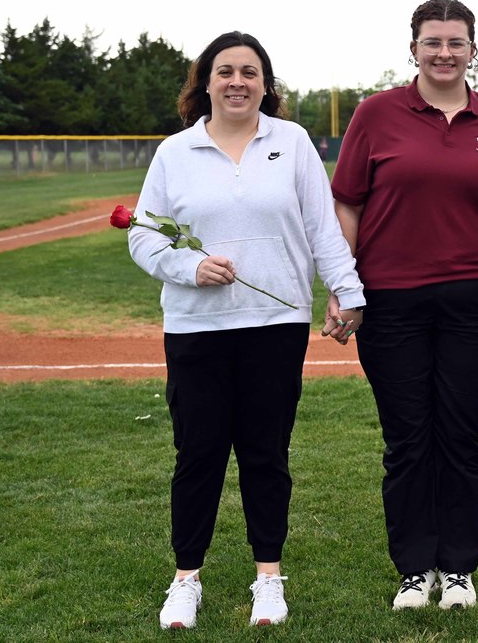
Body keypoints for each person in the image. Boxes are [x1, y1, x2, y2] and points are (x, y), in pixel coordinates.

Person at [129, 31, 365, 629]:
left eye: (250, 72)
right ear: (205, 82)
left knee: (265, 454)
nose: (238, 82)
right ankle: (186, 580)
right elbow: (144, 234)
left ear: (266, 83)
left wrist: (348, 291)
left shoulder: (292, 143)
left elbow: (321, 228)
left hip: (276, 324)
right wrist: (189, 266)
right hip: (195, 327)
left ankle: (269, 578)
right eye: (226, 71)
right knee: (199, 454)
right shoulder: (174, 153)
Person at [330, 0, 478, 610]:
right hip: (391, 301)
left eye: (455, 43)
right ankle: (415, 569)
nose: (444, 53)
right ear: (412, 47)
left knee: (462, 438)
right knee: (408, 439)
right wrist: (344, 288)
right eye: (432, 42)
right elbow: (349, 204)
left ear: (472, 49)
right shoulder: (376, 114)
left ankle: (459, 569)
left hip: (474, 299)